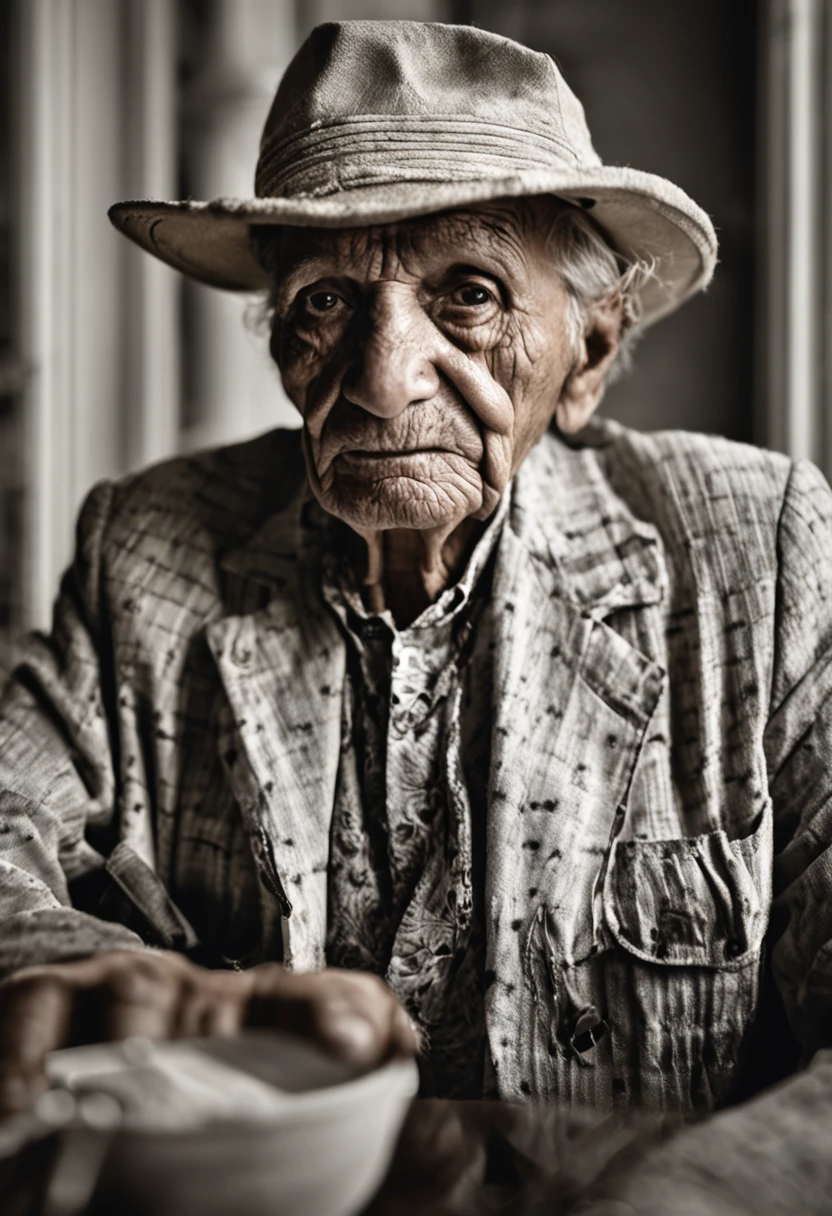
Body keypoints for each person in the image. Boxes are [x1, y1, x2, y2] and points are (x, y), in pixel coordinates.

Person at [0, 18, 829, 1154]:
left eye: (470, 293)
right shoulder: (148, 545)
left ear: (586, 354)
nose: (383, 384)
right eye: (327, 303)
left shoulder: (756, 554)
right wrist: (76, 972)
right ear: (282, 338)